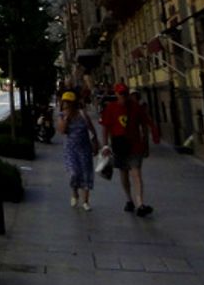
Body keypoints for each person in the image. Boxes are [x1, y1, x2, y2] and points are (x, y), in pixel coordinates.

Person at [100, 81, 160, 216]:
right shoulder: (111, 108)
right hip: (119, 145)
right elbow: (105, 127)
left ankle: (140, 204)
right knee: (124, 173)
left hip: (135, 145)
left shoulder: (135, 107)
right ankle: (129, 199)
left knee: (136, 173)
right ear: (116, 94)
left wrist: (146, 143)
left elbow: (144, 124)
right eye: (121, 94)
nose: (123, 96)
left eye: (125, 94)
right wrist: (105, 146)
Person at [56, 90, 99, 211]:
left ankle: (85, 201)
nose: (67, 105)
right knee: (74, 173)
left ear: (74, 103)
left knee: (86, 174)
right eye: (65, 103)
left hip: (85, 149)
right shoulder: (62, 116)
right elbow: (61, 131)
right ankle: (74, 192)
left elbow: (92, 129)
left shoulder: (82, 114)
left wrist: (95, 143)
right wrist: (66, 119)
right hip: (71, 150)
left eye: (69, 102)